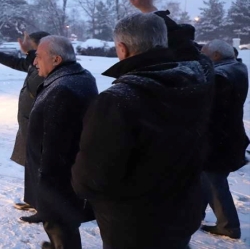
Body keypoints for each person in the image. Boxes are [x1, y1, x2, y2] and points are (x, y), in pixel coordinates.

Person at [71, 12, 212, 249]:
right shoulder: (196, 80)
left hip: (135, 224)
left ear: (122, 49)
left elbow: (92, 179)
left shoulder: (118, 100)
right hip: (185, 208)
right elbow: (194, 54)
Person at [21, 35, 97, 249]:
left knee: (62, 232)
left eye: (39, 57)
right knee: (62, 234)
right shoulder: (79, 76)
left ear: (56, 60)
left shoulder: (62, 90)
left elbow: (56, 152)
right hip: (63, 189)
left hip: (57, 191)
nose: (35, 62)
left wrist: (47, 200)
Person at [0, 31, 50, 212]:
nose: (26, 45)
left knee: (39, 166)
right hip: (28, 121)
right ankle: (32, 201)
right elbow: (20, 63)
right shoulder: (35, 61)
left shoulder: (49, 66)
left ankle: (42, 205)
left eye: (30, 43)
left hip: (37, 123)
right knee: (31, 164)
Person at [199, 39, 249, 239]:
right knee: (206, 179)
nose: (201, 56)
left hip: (217, 141)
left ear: (217, 55)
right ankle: (196, 214)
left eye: (204, 53)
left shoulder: (220, 76)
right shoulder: (238, 67)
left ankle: (228, 226)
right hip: (230, 137)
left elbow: (208, 110)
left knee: (214, 182)